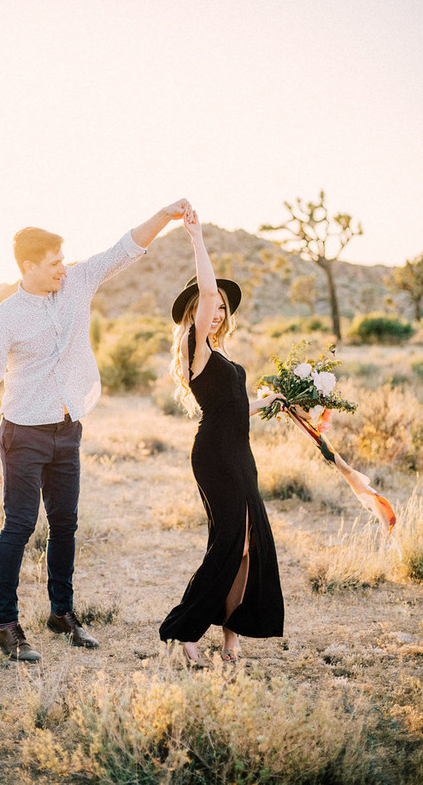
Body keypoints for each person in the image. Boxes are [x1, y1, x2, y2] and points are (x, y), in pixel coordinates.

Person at [0, 198, 192, 662]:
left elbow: (123, 250)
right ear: (28, 267)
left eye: (64, 260)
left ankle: (61, 613)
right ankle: (3, 622)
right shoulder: (5, 316)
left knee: (66, 524)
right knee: (20, 525)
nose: (63, 269)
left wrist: (166, 215)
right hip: (23, 434)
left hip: (68, 430)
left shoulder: (78, 284)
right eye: (53, 264)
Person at [159, 209, 284, 664]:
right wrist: (197, 238)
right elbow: (208, 289)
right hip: (214, 456)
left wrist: (269, 403)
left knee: (249, 544)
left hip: (240, 455)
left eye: (222, 310)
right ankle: (186, 631)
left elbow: (233, 408)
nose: (216, 313)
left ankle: (231, 638)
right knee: (229, 541)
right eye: (209, 308)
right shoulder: (197, 350)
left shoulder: (225, 358)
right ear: (195, 315)